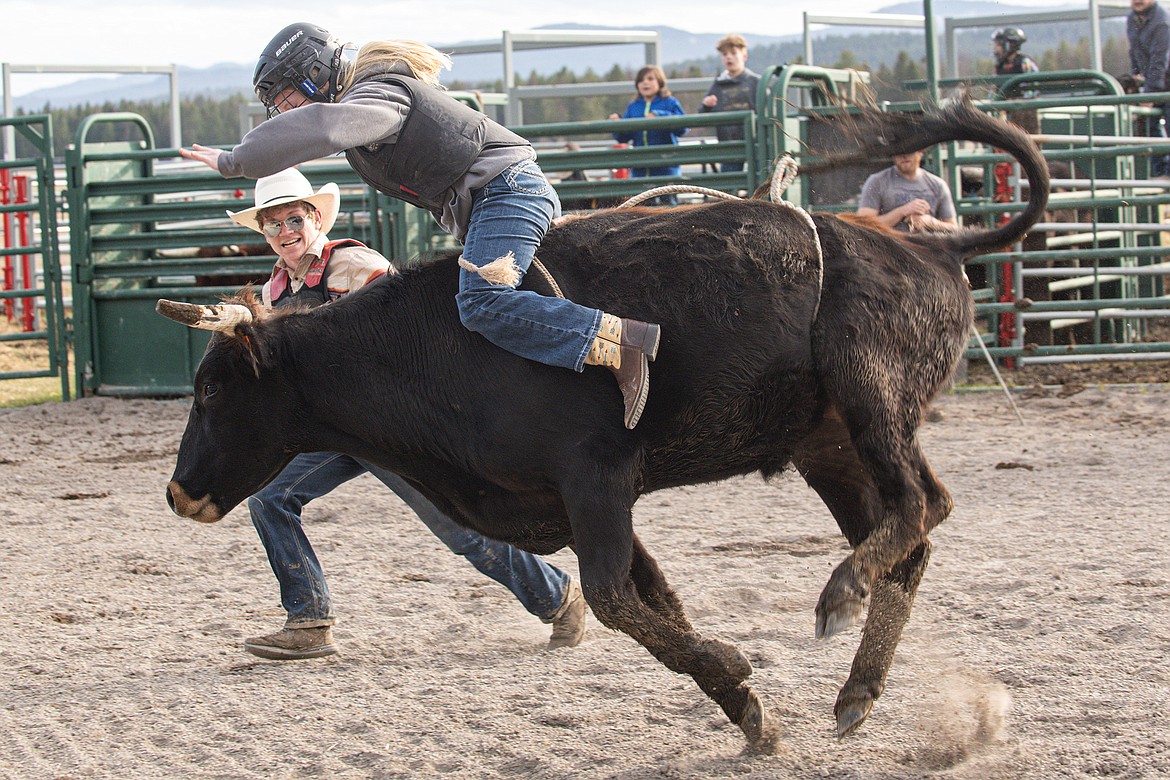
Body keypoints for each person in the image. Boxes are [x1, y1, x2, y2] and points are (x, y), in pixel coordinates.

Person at [179, 22, 660, 430]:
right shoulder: (368, 102)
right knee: (476, 316)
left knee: (482, 300)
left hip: (507, 191)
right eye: (279, 105)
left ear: (315, 75)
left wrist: (234, 159)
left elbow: (323, 127)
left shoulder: (376, 95)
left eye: (288, 98)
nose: (286, 112)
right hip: (490, 203)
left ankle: (622, 341)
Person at [228, 168, 587, 659]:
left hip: (390, 427)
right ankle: (309, 618)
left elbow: (403, 331)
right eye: (274, 225)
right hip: (337, 430)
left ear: (314, 219)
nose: (286, 232)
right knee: (270, 497)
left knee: (459, 528)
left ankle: (558, 597)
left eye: (293, 219)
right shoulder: (273, 291)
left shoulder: (355, 264)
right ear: (265, 233)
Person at [608, 65, 688, 205]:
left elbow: (682, 127)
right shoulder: (633, 107)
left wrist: (659, 116)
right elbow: (624, 136)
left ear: (659, 82)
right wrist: (617, 125)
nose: (645, 83)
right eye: (641, 80)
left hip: (666, 168)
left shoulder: (669, 103)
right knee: (644, 207)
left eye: (650, 79)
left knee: (668, 205)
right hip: (640, 169)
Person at [697, 34, 761, 173]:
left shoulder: (755, 82)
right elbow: (703, 115)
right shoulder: (718, 85)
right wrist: (707, 106)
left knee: (760, 179)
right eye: (725, 54)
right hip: (729, 144)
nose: (729, 57)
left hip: (756, 143)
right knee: (730, 184)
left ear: (744, 56)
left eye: (733, 53)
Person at [855, 150, 959, 233]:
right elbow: (863, 225)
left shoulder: (938, 185)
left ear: (920, 152)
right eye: (899, 151)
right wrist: (903, 211)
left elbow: (954, 228)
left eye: (909, 151)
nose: (904, 156)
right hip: (890, 249)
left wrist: (930, 222)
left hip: (929, 249)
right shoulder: (877, 181)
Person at [1128, 0, 1170, 177]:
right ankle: (1161, 171)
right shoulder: (1133, 19)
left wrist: (1149, 94)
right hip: (1154, 85)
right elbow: (1134, 51)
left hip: (1165, 85)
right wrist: (1136, 76)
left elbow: (1159, 60)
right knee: (1150, 128)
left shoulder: (1161, 22)